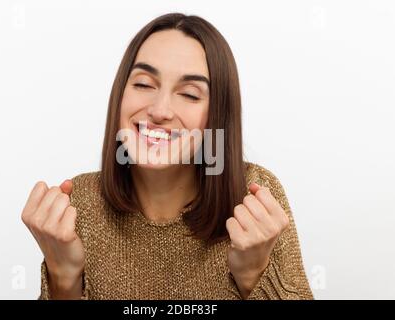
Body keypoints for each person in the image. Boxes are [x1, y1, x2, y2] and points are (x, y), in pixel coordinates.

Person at [21, 13, 313, 300]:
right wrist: (63, 277)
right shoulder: (77, 206)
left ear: (217, 116)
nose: (160, 110)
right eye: (144, 85)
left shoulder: (255, 196)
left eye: (189, 94)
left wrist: (253, 274)